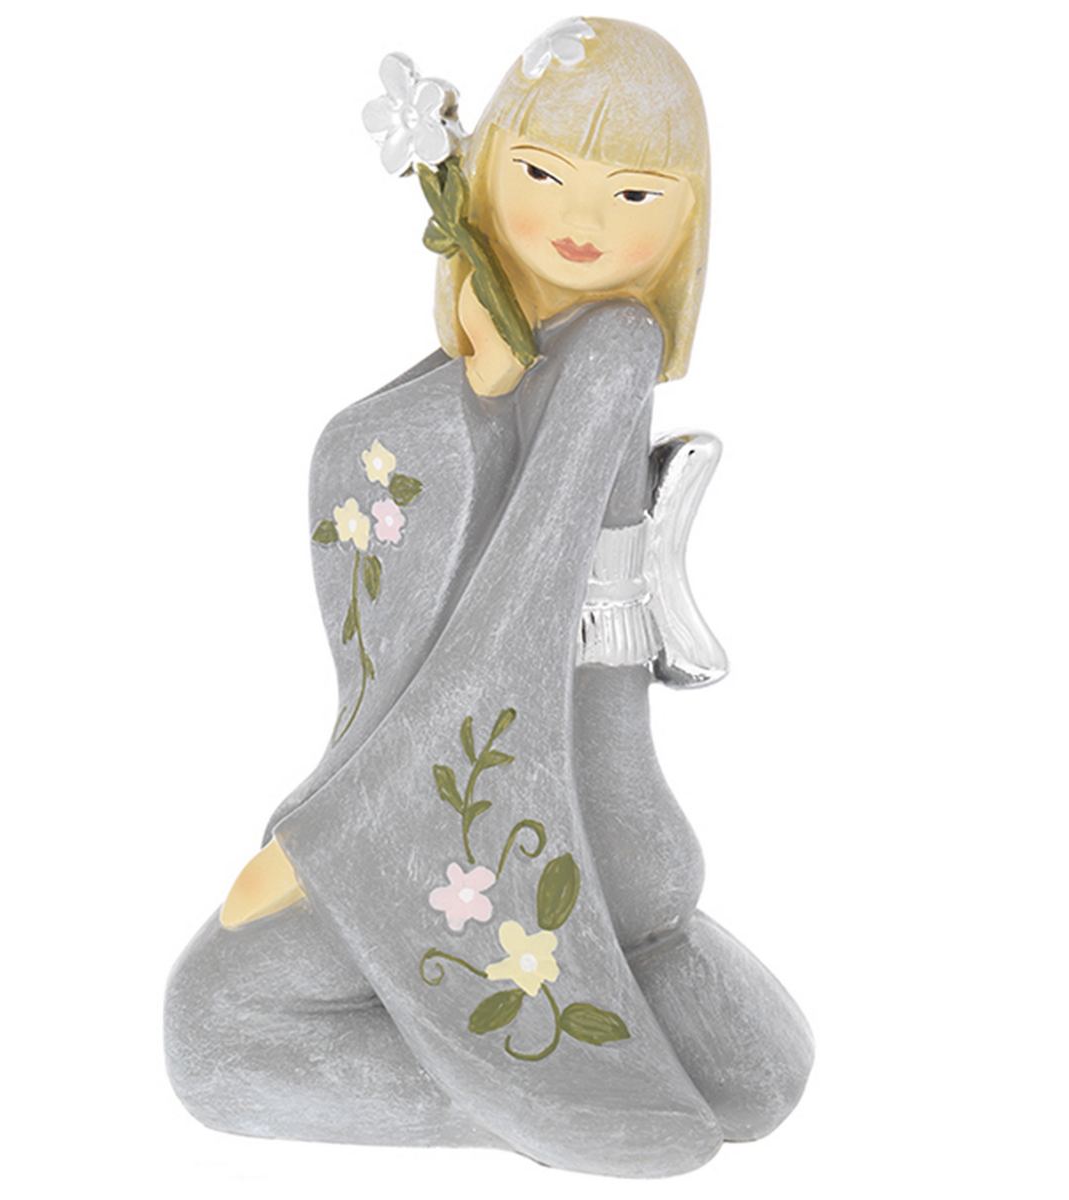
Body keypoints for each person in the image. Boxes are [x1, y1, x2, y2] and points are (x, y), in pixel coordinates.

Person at [166, 18, 812, 1178]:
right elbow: (392, 490)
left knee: (214, 1031)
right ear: (485, 166)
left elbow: (519, 605)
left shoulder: (611, 350)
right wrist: (477, 378)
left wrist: (327, 840)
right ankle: (679, 1059)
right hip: (594, 804)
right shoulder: (548, 341)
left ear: (685, 217)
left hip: (568, 804)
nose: (582, 219)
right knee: (226, 1022)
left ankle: (598, 1103)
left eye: (634, 194)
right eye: (543, 173)